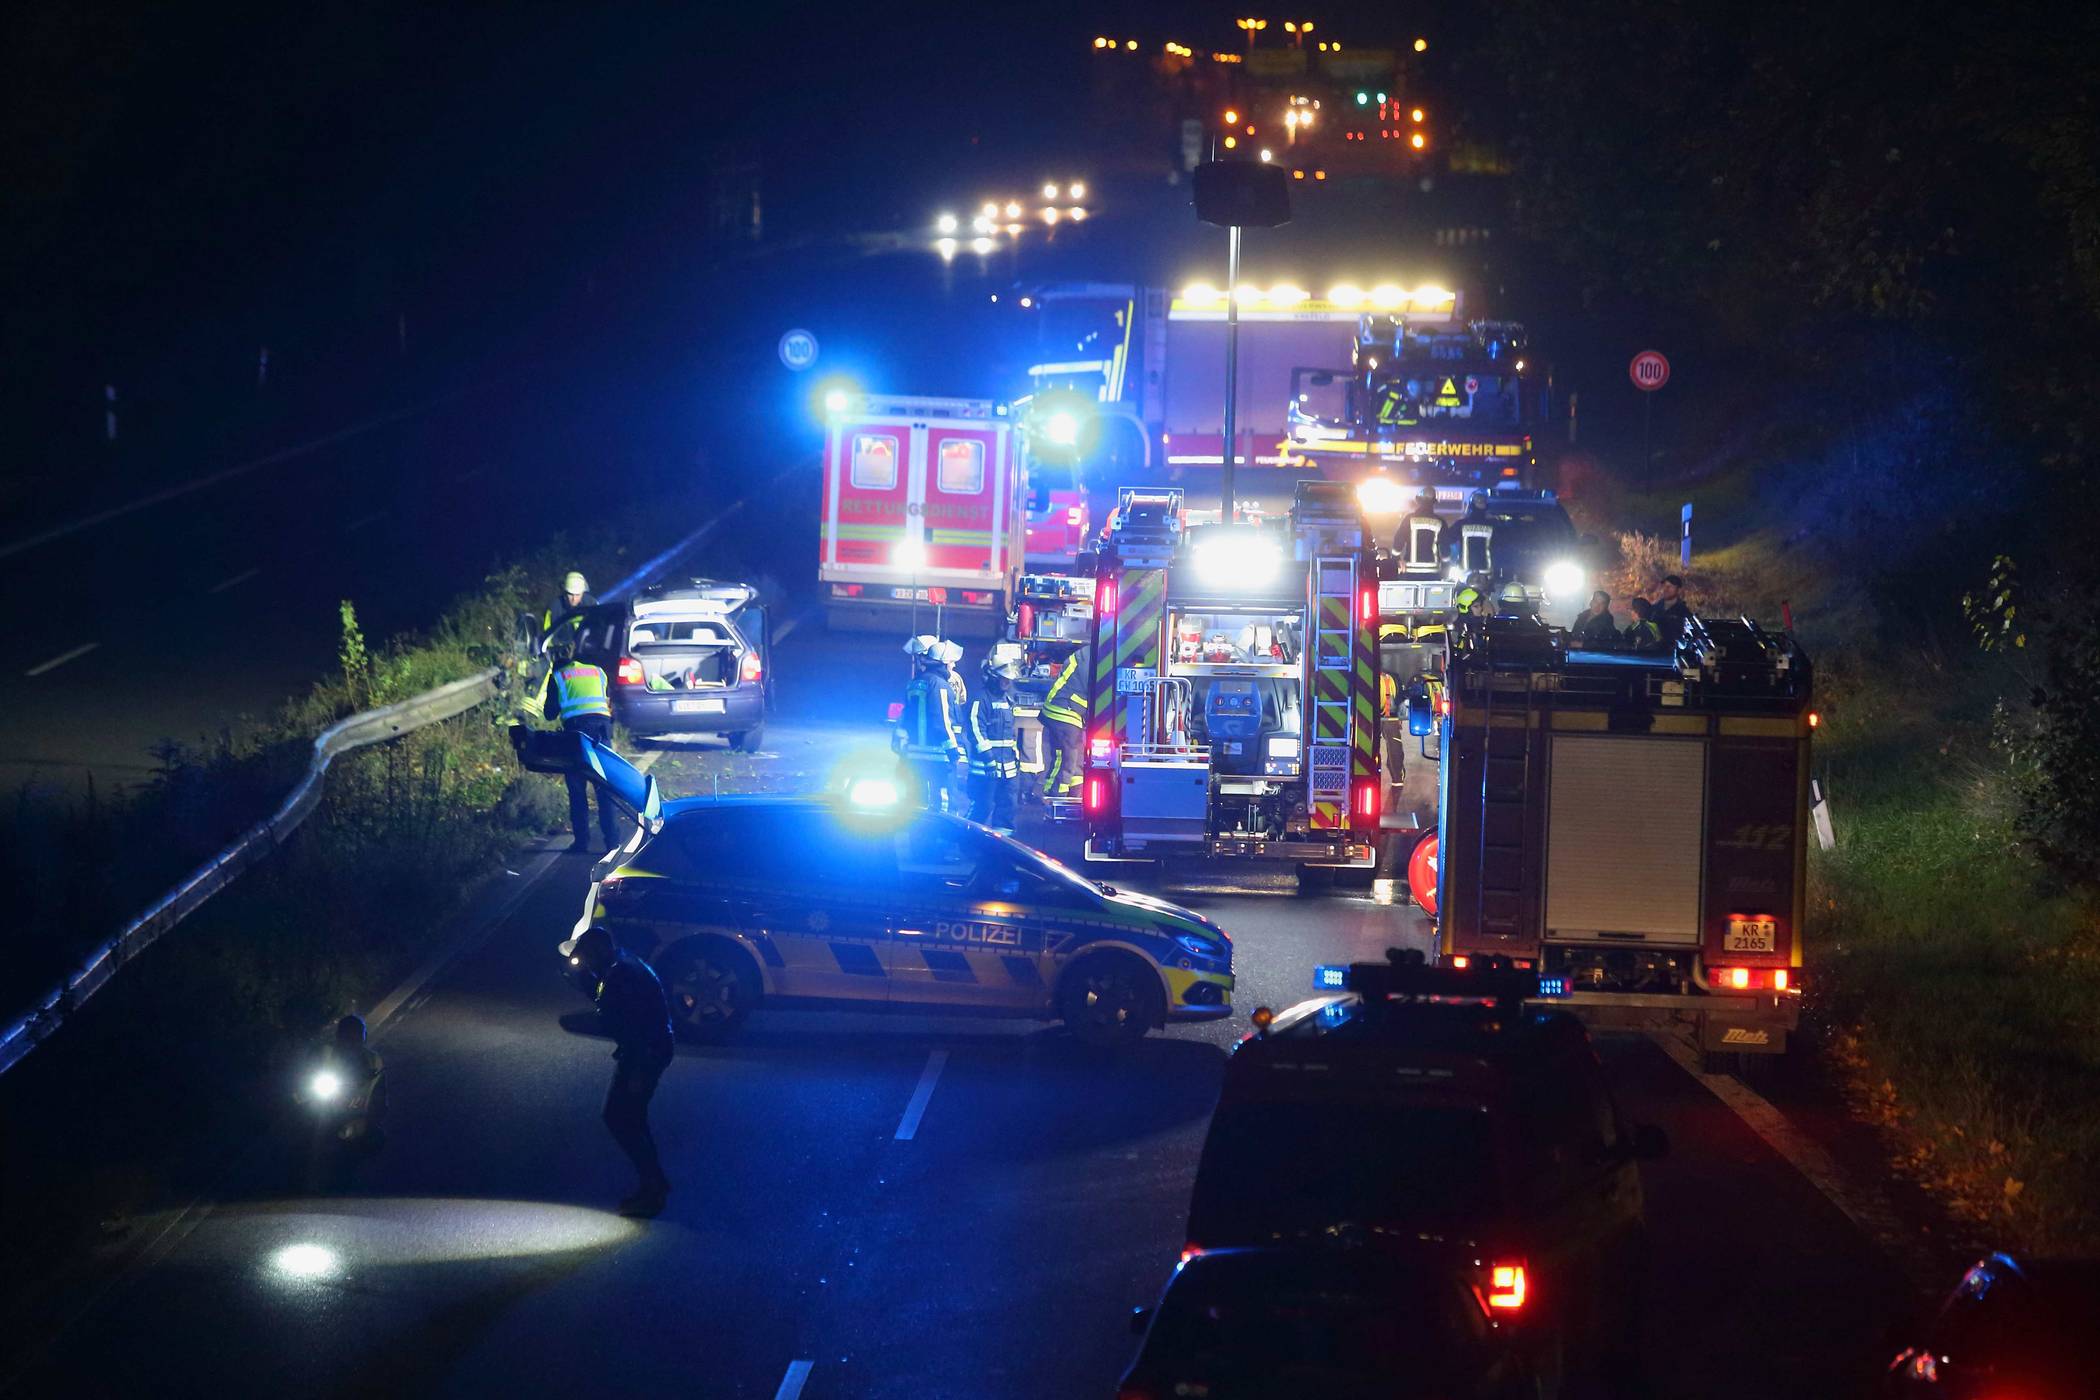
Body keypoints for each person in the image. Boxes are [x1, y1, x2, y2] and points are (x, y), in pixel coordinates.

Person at [571, 926, 674, 1217]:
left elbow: (617, 1018)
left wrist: (638, 1073)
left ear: (600, 951)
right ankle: (654, 1181)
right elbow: (609, 1005)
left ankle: (652, 1190)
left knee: (619, 1117)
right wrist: (585, 979)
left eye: (588, 958)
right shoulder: (619, 965)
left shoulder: (622, 975)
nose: (586, 963)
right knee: (633, 1118)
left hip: (644, 1053)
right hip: (648, 1049)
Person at [539, 643, 621, 852]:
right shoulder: (597, 672)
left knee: (577, 790)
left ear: (557, 667)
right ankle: (612, 842)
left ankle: (582, 842)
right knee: (604, 789)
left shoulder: (558, 677)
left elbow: (549, 713)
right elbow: (608, 703)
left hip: (576, 734)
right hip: (603, 732)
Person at [896, 636, 965, 812]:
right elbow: (942, 719)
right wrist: (953, 750)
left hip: (915, 752)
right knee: (944, 801)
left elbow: (906, 715)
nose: (954, 666)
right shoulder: (940, 684)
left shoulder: (915, 683)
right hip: (938, 753)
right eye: (951, 662)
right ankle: (944, 834)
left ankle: (919, 834)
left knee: (918, 800)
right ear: (943, 663)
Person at [965, 657, 1022, 833]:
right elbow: (975, 730)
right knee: (983, 807)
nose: (1007, 683)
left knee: (1007, 808)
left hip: (1008, 768)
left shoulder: (1008, 701)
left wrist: (1015, 755)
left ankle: (1003, 846)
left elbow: (1009, 734)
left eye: (1009, 680)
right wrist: (989, 758)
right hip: (986, 768)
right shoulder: (981, 700)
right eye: (1003, 679)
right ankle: (968, 842)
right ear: (992, 676)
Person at [1038, 646, 1088, 800]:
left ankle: (1075, 791)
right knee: (1068, 755)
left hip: (1064, 707)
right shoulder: (1094, 655)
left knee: (1077, 756)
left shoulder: (1087, 654)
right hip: (1065, 709)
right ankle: (1055, 792)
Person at [541, 571, 597, 649]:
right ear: (565, 592)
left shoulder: (592, 604)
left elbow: (600, 630)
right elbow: (547, 636)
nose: (574, 599)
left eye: (577, 595)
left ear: (583, 593)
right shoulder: (554, 608)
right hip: (562, 651)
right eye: (570, 594)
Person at [1656, 574, 1691, 647]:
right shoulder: (1654, 609)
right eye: (1665, 586)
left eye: (1670, 586)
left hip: (1672, 652)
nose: (1666, 589)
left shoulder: (1683, 611)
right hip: (1655, 651)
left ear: (1678, 589)